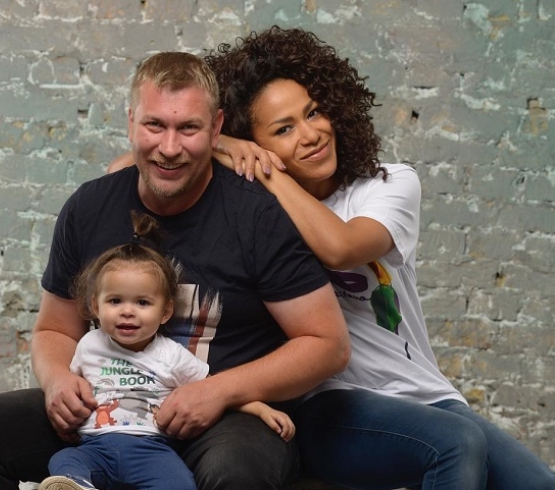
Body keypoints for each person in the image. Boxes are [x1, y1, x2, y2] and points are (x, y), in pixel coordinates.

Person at [0, 51, 350, 490]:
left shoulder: (257, 215)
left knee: (236, 471)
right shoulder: (89, 207)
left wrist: (219, 391)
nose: (169, 148)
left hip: (225, 416)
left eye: (188, 128)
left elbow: (327, 345)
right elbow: (54, 329)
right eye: (155, 125)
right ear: (131, 121)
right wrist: (57, 380)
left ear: (216, 129)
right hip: (107, 412)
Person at [198, 25, 555, 490]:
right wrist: (217, 141)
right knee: (456, 442)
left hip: (423, 394)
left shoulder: (389, 184)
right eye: (284, 129)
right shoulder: (256, 213)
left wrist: (265, 170)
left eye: (314, 112)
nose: (311, 134)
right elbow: (127, 169)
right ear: (253, 140)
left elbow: (341, 247)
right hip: (329, 402)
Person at [38, 211, 295, 490]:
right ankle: (78, 485)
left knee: (180, 482)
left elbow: (214, 389)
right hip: (94, 445)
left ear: (165, 312)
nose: (127, 311)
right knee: (64, 459)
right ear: (95, 307)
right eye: (115, 301)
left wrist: (260, 409)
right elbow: (70, 386)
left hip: (151, 450)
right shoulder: (89, 345)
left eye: (142, 303)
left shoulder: (170, 354)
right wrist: (62, 394)